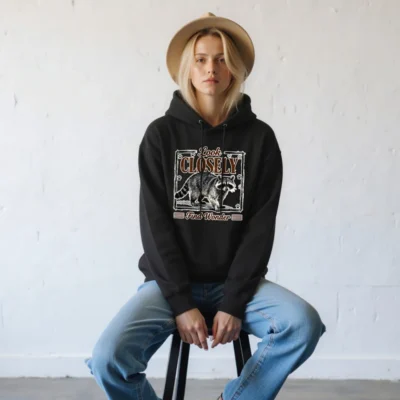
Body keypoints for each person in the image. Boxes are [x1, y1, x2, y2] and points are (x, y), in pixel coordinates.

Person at [84, 12, 326, 400]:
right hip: (167, 286)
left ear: (235, 69)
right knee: (107, 359)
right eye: (201, 59)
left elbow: (259, 231)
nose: (211, 68)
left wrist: (233, 301)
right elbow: (156, 228)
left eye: (221, 59)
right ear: (188, 68)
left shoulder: (260, 139)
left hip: (237, 286)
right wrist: (181, 303)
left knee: (303, 325)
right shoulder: (160, 135)